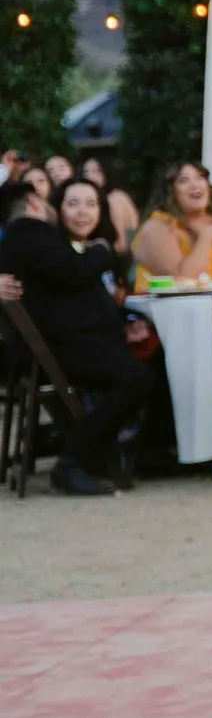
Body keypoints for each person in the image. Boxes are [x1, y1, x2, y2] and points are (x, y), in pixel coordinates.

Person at [0, 179, 166, 494]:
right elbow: (74, 273)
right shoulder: (32, 235)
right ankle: (73, 462)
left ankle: (140, 454)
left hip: (73, 342)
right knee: (136, 378)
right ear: (36, 204)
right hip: (61, 348)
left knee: (147, 364)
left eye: (91, 204)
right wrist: (103, 250)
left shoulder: (28, 240)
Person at [81, 156, 144, 255]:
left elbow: (121, 245)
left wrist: (87, 246)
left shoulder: (114, 198)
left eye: (96, 171)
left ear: (106, 172)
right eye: (86, 172)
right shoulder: (100, 199)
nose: (89, 176)